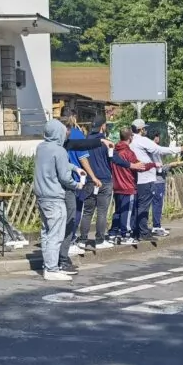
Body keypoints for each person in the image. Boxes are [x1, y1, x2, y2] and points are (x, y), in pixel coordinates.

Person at [34, 119, 85, 281]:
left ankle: (47, 264)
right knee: (56, 234)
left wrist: (74, 167)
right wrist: (77, 184)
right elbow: (64, 176)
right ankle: (52, 268)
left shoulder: (41, 148)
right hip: (55, 197)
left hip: (42, 196)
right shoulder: (60, 150)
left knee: (46, 232)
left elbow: (53, 165)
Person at [129, 118, 183, 242]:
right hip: (146, 178)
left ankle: (135, 231)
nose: (145, 130)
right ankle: (143, 232)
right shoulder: (142, 140)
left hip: (135, 178)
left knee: (137, 206)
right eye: (144, 128)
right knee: (144, 207)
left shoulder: (131, 141)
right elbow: (160, 149)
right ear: (140, 129)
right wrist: (179, 149)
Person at [109, 128, 156, 245]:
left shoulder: (115, 151)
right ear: (130, 137)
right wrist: (154, 164)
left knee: (118, 211)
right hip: (128, 186)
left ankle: (114, 233)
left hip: (117, 185)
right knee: (128, 211)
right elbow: (140, 167)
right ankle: (126, 234)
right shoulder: (129, 153)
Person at [78, 117, 115, 250]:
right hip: (104, 180)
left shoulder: (85, 141)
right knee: (102, 211)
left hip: (90, 180)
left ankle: (82, 239)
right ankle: (99, 240)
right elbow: (113, 159)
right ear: (102, 126)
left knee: (87, 211)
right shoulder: (106, 143)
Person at [64, 114, 94, 258]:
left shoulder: (59, 136)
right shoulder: (78, 135)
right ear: (74, 118)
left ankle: (64, 241)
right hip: (77, 178)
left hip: (62, 179)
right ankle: (70, 241)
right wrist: (93, 177)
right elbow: (83, 159)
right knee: (75, 211)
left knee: (64, 212)